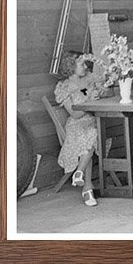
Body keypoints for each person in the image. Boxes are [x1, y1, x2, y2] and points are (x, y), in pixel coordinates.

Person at [53, 51, 102, 207]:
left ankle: (79, 174)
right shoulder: (64, 87)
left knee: (92, 134)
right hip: (76, 125)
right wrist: (89, 103)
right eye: (81, 64)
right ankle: (87, 187)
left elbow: (95, 93)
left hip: (91, 122)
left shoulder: (88, 80)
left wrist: (97, 95)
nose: (85, 66)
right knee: (92, 136)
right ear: (71, 66)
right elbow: (74, 114)